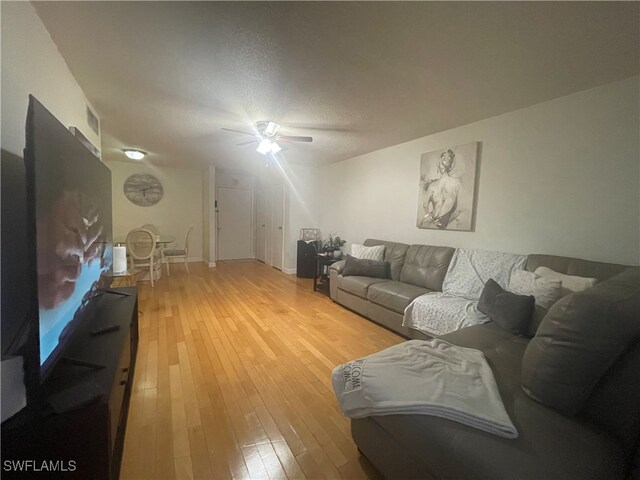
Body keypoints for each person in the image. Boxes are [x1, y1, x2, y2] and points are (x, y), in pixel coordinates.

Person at [420, 149, 461, 229]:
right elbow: (457, 210)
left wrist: (431, 219)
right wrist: (442, 222)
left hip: (430, 222)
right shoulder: (456, 183)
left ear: (439, 165)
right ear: (451, 165)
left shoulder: (432, 185)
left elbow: (425, 206)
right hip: (441, 223)